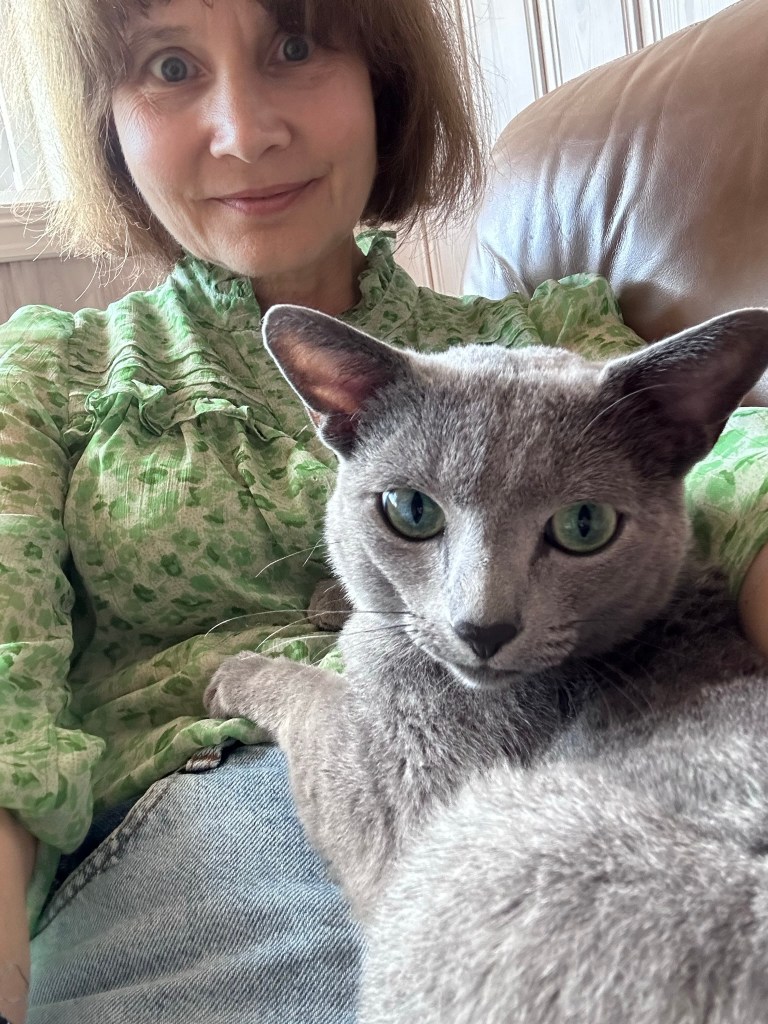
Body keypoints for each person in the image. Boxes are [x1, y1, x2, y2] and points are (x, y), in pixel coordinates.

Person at [0, 0, 767, 1021]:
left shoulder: (552, 327)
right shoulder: (52, 370)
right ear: (105, 116)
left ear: (383, 77)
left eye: (294, 46)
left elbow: (742, 482)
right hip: (192, 837)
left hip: (591, 832)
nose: (245, 129)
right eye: (170, 66)